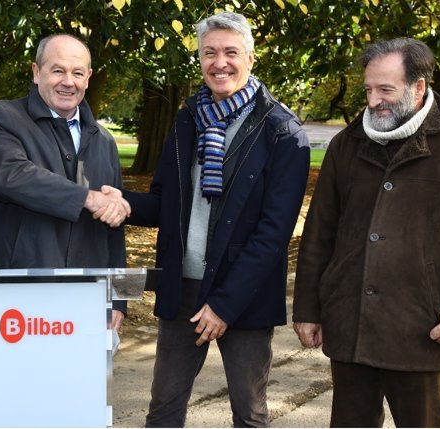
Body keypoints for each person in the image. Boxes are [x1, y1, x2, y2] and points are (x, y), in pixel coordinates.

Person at [293, 37, 440, 428]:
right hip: (350, 328)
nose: (373, 100)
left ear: (418, 87)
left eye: (385, 89)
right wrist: (309, 309)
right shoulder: (347, 144)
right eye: (368, 89)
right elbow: (319, 234)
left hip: (423, 332)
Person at [123, 12, 310, 427]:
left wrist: (223, 305)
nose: (219, 62)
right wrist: (121, 204)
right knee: (163, 413)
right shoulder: (188, 118)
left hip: (242, 296)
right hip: (182, 289)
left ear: (251, 57)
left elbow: (273, 234)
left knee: (249, 414)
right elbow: (165, 203)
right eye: (210, 53)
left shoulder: (282, 131)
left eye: (230, 52)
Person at [0, 33, 130, 327]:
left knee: (80, 376)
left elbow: (114, 225)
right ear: (36, 72)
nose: (68, 82)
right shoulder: (2, 117)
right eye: (58, 70)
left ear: (88, 78)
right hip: (17, 299)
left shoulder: (104, 140)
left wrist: (118, 297)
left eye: (77, 73)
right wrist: (88, 197)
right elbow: (11, 175)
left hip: (87, 298)